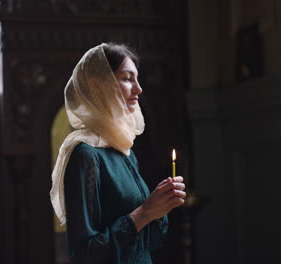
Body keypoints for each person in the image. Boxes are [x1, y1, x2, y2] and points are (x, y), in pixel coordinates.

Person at [50, 43, 186, 263]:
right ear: (98, 86)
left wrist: (160, 205)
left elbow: (147, 243)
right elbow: (84, 253)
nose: (138, 89)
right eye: (127, 78)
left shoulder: (124, 150)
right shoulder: (86, 155)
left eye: (137, 78)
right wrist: (144, 213)